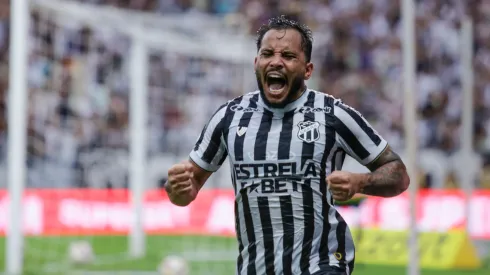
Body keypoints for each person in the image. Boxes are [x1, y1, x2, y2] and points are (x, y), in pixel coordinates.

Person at [165, 15, 410, 275]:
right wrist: (177, 188)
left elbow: (399, 174)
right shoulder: (229, 117)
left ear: (308, 70)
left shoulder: (333, 114)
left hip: (322, 263)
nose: (276, 61)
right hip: (255, 268)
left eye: (289, 56)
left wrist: (360, 182)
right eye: (267, 53)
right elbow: (184, 192)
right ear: (256, 62)